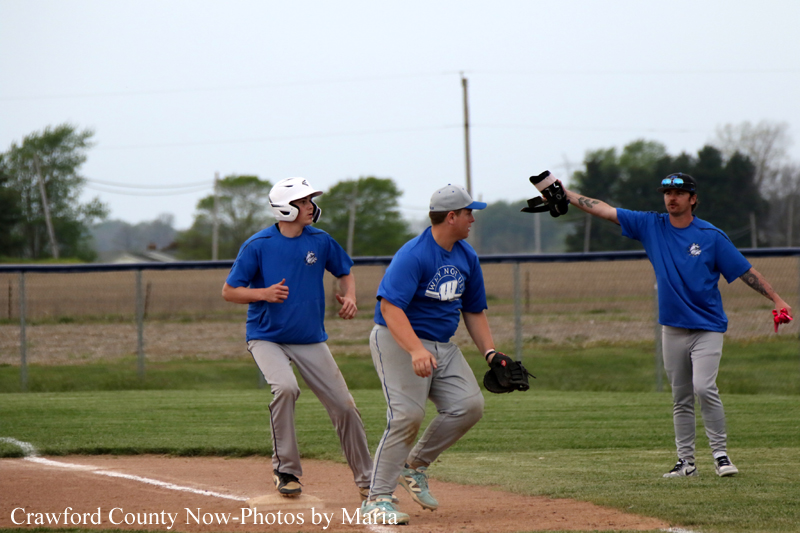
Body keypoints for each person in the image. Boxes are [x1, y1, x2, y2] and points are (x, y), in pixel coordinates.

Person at [560, 171, 792, 478]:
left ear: (693, 199)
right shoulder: (651, 225)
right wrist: (566, 194)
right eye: (668, 193)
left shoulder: (710, 236)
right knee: (681, 397)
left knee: (704, 387)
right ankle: (686, 463)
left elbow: (746, 271)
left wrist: (776, 299)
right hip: (672, 328)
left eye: (680, 193)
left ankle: (721, 455)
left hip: (707, 327)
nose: (672, 198)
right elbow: (603, 209)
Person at [222, 177, 373, 499]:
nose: (310, 207)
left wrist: (350, 297)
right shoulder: (258, 244)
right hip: (267, 337)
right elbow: (229, 291)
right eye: (303, 202)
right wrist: (262, 293)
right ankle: (286, 470)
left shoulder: (320, 240)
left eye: (310, 201)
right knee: (287, 388)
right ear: (284, 208)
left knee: (345, 406)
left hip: (310, 338)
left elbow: (345, 271)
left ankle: (368, 478)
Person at [361, 184, 501, 525]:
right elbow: (390, 308)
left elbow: (474, 310)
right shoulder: (414, 254)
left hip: (441, 344)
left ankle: (414, 466)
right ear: (451, 217)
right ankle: (377, 498)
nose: (472, 219)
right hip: (398, 338)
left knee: (469, 406)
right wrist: (415, 349)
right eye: (469, 213)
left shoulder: (466, 255)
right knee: (406, 415)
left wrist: (491, 354)